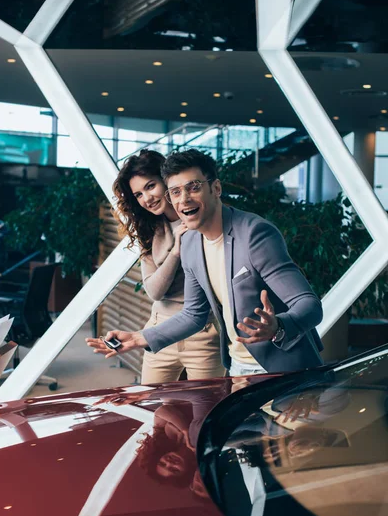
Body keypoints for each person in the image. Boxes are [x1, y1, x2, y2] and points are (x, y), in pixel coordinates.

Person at [87, 148, 324, 375]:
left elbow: (308, 305)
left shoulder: (255, 234)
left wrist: (278, 328)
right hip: (238, 366)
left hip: (285, 367)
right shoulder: (189, 242)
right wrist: (139, 337)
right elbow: (193, 314)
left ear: (216, 188)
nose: (184, 199)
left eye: (194, 187)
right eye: (176, 192)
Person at [108, 149, 224, 383]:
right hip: (159, 327)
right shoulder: (150, 230)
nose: (147, 199)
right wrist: (177, 252)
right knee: (153, 407)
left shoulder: (203, 218)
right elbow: (154, 291)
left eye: (151, 186)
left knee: (207, 410)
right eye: (139, 194)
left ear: (167, 180)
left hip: (204, 332)